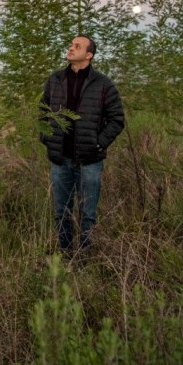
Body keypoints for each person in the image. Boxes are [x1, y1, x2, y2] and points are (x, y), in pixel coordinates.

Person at [40, 35, 125, 256]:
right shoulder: (56, 79)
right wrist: (47, 138)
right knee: (62, 211)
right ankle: (66, 255)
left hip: (89, 161)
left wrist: (98, 145)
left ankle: (86, 257)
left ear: (89, 55)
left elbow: (116, 120)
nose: (71, 47)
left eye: (77, 46)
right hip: (60, 159)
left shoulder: (103, 84)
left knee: (87, 213)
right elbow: (43, 111)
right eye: (71, 44)